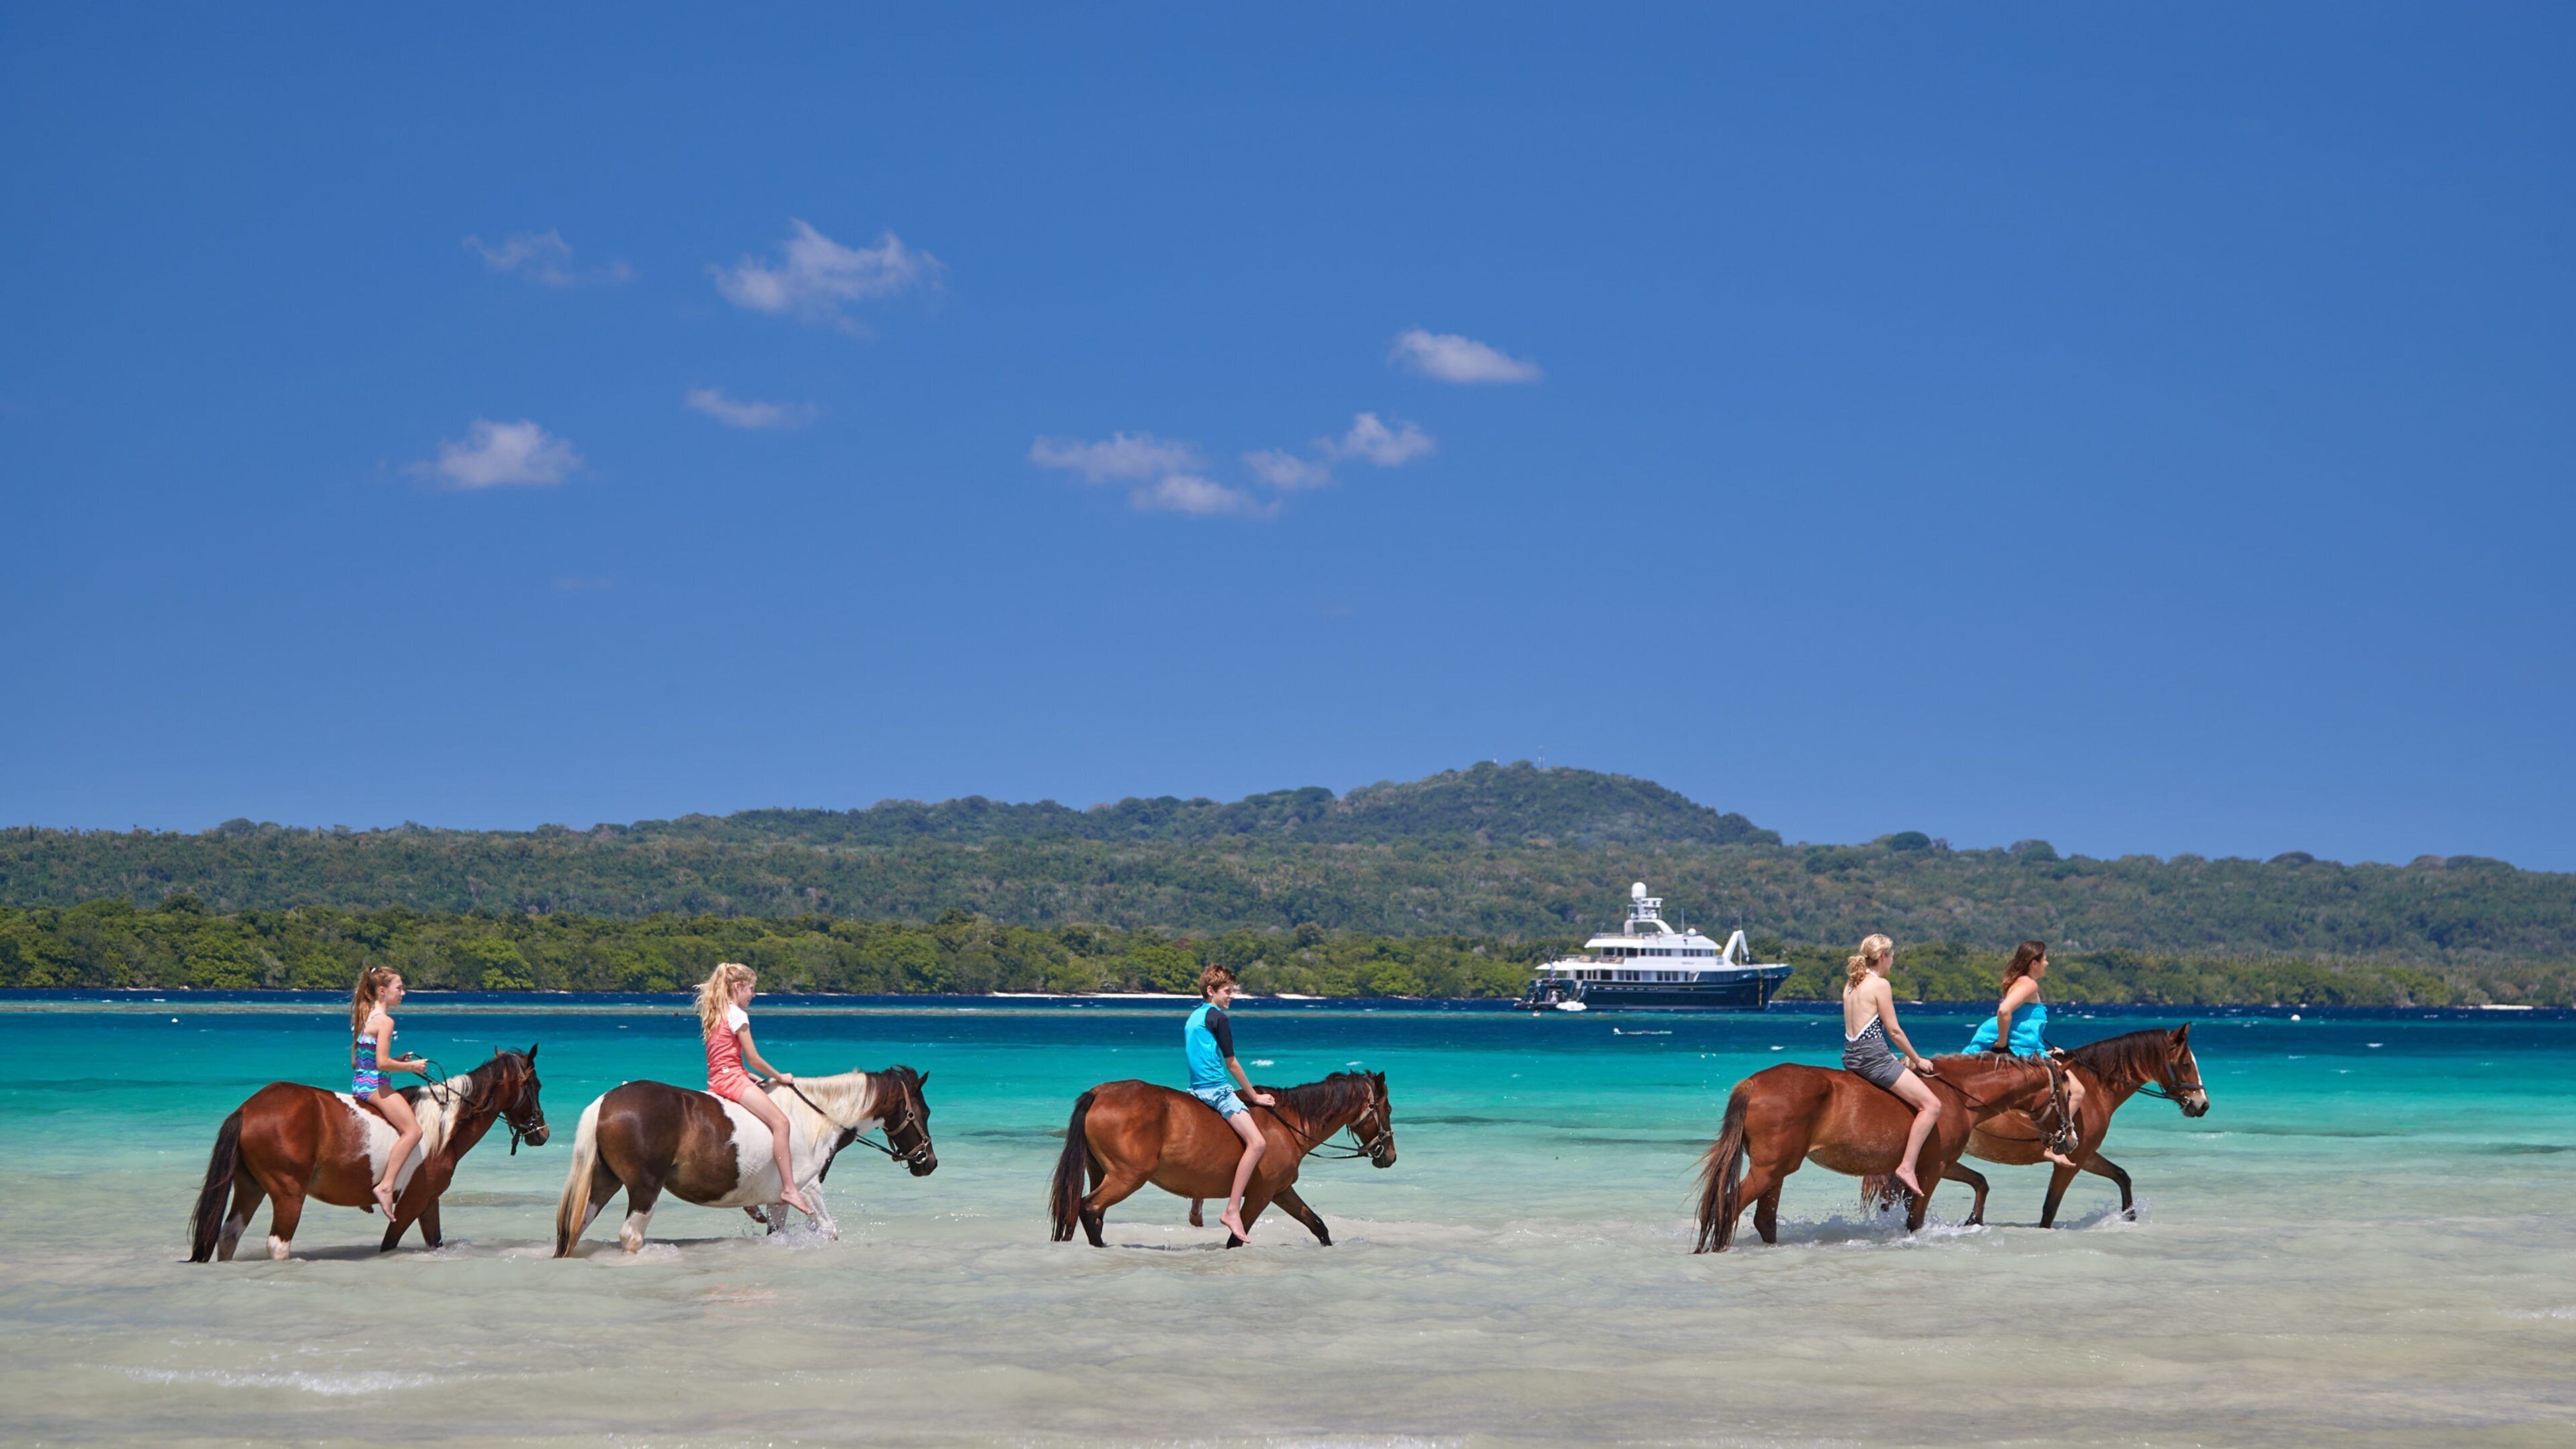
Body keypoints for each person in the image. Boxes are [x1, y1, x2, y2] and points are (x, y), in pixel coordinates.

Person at [697, 962, 814, 1216]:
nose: (753, 995)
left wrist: (753, 1078)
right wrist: (779, 1076)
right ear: (738, 987)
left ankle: (749, 1196)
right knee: (782, 1123)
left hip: (716, 1080)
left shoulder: (714, 1012)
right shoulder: (738, 1015)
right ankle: (789, 1189)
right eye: (751, 988)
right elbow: (754, 1058)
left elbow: (723, 1060)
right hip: (732, 1081)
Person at [1840, 933, 1943, 1197]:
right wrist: (1918, 1060)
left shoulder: (1851, 984)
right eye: (1892, 955)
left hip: (1852, 1057)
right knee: (1932, 1105)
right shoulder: (1880, 985)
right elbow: (1894, 1031)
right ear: (1883, 957)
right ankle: (1907, 1166)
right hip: (1873, 1059)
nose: (1893, 960)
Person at [1967, 940, 2086, 1166]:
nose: (2047, 963)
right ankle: (2053, 1146)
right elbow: (2004, 1011)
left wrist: (2048, 1049)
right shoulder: (2029, 985)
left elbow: (2023, 1025)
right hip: (2023, 1051)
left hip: (2031, 1047)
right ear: (2034, 963)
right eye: (2044, 959)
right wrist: (2002, 1044)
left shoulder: (2019, 982)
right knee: (2077, 1091)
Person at [1183, 965, 1275, 1242]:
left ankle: (1197, 1203)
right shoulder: (1218, 1018)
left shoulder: (1193, 1017)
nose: (1232, 996)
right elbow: (1232, 1063)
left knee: (1207, 1144)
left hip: (1194, 1091)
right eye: (1227, 991)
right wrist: (1255, 1096)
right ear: (1211, 991)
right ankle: (1232, 1210)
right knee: (1258, 1143)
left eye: (1232, 991)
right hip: (1216, 1091)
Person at [349, 966, 432, 1216]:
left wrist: (396, 1057)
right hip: (376, 1086)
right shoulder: (385, 1021)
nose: (403, 993)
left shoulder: (364, 1017)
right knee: (413, 1131)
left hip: (359, 1084)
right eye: (399, 988)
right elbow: (383, 1064)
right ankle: (385, 1187)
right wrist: (410, 1066)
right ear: (383, 991)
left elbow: (358, 1062)